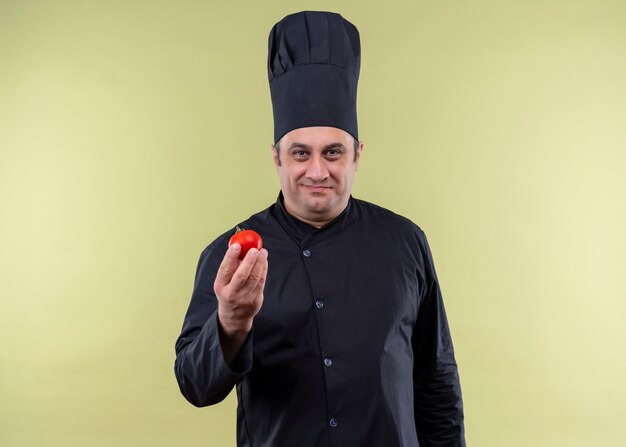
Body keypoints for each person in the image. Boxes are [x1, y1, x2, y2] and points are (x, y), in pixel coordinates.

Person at [174, 10, 465, 447]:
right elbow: (194, 386)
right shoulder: (231, 255)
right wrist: (231, 322)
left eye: (332, 152)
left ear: (357, 153)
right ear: (276, 157)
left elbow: (436, 381)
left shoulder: (405, 242)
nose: (317, 171)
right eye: (299, 153)